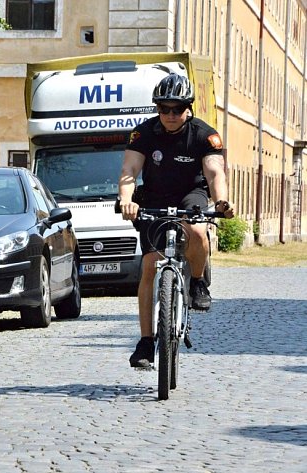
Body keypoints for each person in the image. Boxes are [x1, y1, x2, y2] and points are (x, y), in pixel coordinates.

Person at [118, 73, 234, 368]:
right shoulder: (143, 134)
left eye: (177, 108)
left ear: (188, 108)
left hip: (190, 194)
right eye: (164, 108)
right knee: (148, 266)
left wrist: (221, 201)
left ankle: (197, 282)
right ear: (157, 108)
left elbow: (214, 172)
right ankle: (145, 342)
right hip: (154, 198)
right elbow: (130, 170)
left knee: (196, 229)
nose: (170, 115)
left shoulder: (204, 135)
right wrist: (126, 199)